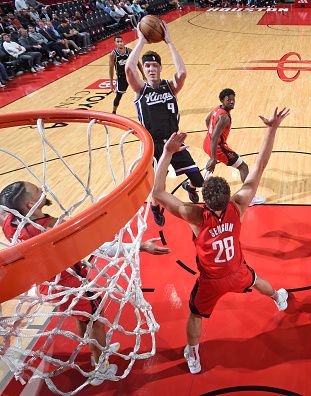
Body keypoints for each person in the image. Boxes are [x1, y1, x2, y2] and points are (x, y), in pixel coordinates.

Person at [152, 107, 291, 374]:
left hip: (211, 281)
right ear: (227, 197)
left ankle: (193, 353)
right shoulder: (237, 205)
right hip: (236, 271)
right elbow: (260, 166)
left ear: (205, 199)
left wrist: (168, 152)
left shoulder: (194, 214)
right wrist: (271, 129)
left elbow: (158, 192)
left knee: (195, 315)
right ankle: (277, 298)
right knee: (255, 279)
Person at [0, 181, 170, 384]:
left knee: (82, 317)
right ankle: (101, 367)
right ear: (30, 205)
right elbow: (97, 246)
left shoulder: (10, 222)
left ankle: (94, 349)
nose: (42, 188)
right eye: (36, 190)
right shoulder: (52, 230)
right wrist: (140, 246)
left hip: (49, 284)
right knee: (97, 320)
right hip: (71, 284)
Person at [125, 21, 204, 227]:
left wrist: (169, 42)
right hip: (152, 145)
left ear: (160, 68)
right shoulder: (140, 89)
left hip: (173, 142)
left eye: (155, 65)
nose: (151, 69)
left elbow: (183, 73)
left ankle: (190, 186)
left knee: (199, 180)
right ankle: (154, 207)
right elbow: (128, 68)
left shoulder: (170, 88)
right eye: (148, 66)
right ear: (145, 70)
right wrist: (141, 41)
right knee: (155, 186)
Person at [203, 88, 266, 206]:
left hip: (206, 142)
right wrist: (213, 157)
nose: (232, 102)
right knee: (243, 167)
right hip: (217, 147)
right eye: (228, 100)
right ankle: (250, 199)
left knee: (215, 157)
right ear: (222, 100)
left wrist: (210, 133)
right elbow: (216, 137)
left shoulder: (217, 108)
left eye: (233, 99)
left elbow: (207, 120)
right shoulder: (224, 117)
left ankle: (207, 173)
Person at [109, 35, 143, 114]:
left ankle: (145, 107)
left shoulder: (129, 51)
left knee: (141, 90)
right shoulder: (113, 54)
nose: (120, 43)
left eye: (121, 41)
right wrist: (111, 83)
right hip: (121, 77)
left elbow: (138, 63)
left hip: (131, 75)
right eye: (118, 42)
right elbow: (111, 69)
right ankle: (114, 112)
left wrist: (143, 74)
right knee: (118, 96)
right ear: (115, 43)